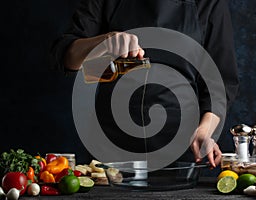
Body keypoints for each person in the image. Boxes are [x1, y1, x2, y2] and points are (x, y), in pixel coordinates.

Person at [51, 0, 239, 168]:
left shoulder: (210, 3)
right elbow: (68, 57)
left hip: (183, 149)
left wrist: (205, 131)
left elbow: (219, 82)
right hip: (111, 149)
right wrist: (105, 41)